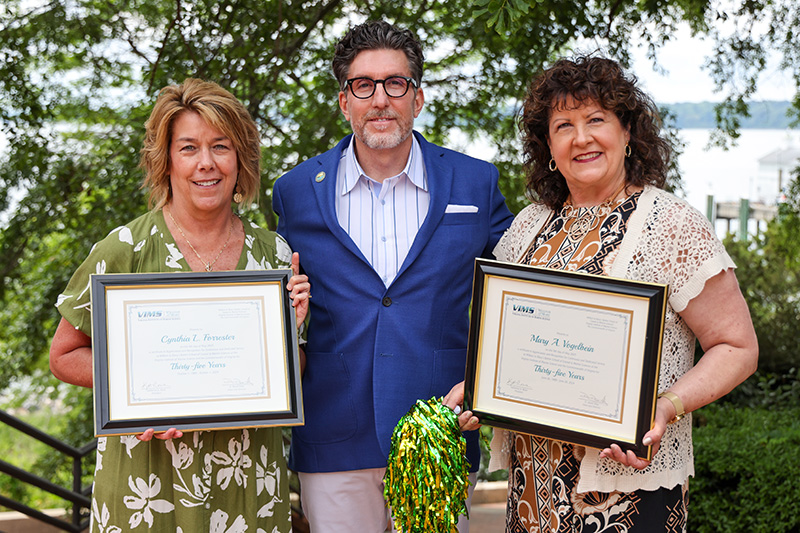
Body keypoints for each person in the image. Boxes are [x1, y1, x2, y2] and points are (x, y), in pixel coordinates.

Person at [449, 55, 758, 532]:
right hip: (533, 494)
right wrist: (479, 388)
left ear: (627, 132)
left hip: (631, 492)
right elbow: (507, 343)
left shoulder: (673, 225)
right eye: (564, 125)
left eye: (596, 119)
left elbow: (737, 347)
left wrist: (666, 406)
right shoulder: (527, 226)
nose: (582, 137)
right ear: (548, 146)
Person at [272, 20, 514, 532]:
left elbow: (523, 293)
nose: (380, 99)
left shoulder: (475, 180)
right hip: (334, 434)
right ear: (344, 101)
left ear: (418, 97)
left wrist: (488, 383)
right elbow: (271, 308)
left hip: (441, 430)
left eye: (395, 84)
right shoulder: (294, 192)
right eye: (364, 85)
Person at [49, 78, 310, 532]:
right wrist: (141, 396)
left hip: (248, 480)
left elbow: (297, 368)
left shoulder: (275, 255)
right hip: (147, 484)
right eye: (189, 147)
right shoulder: (124, 249)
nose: (206, 163)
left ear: (240, 158)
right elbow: (64, 356)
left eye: (221, 146)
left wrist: (287, 337)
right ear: (166, 159)